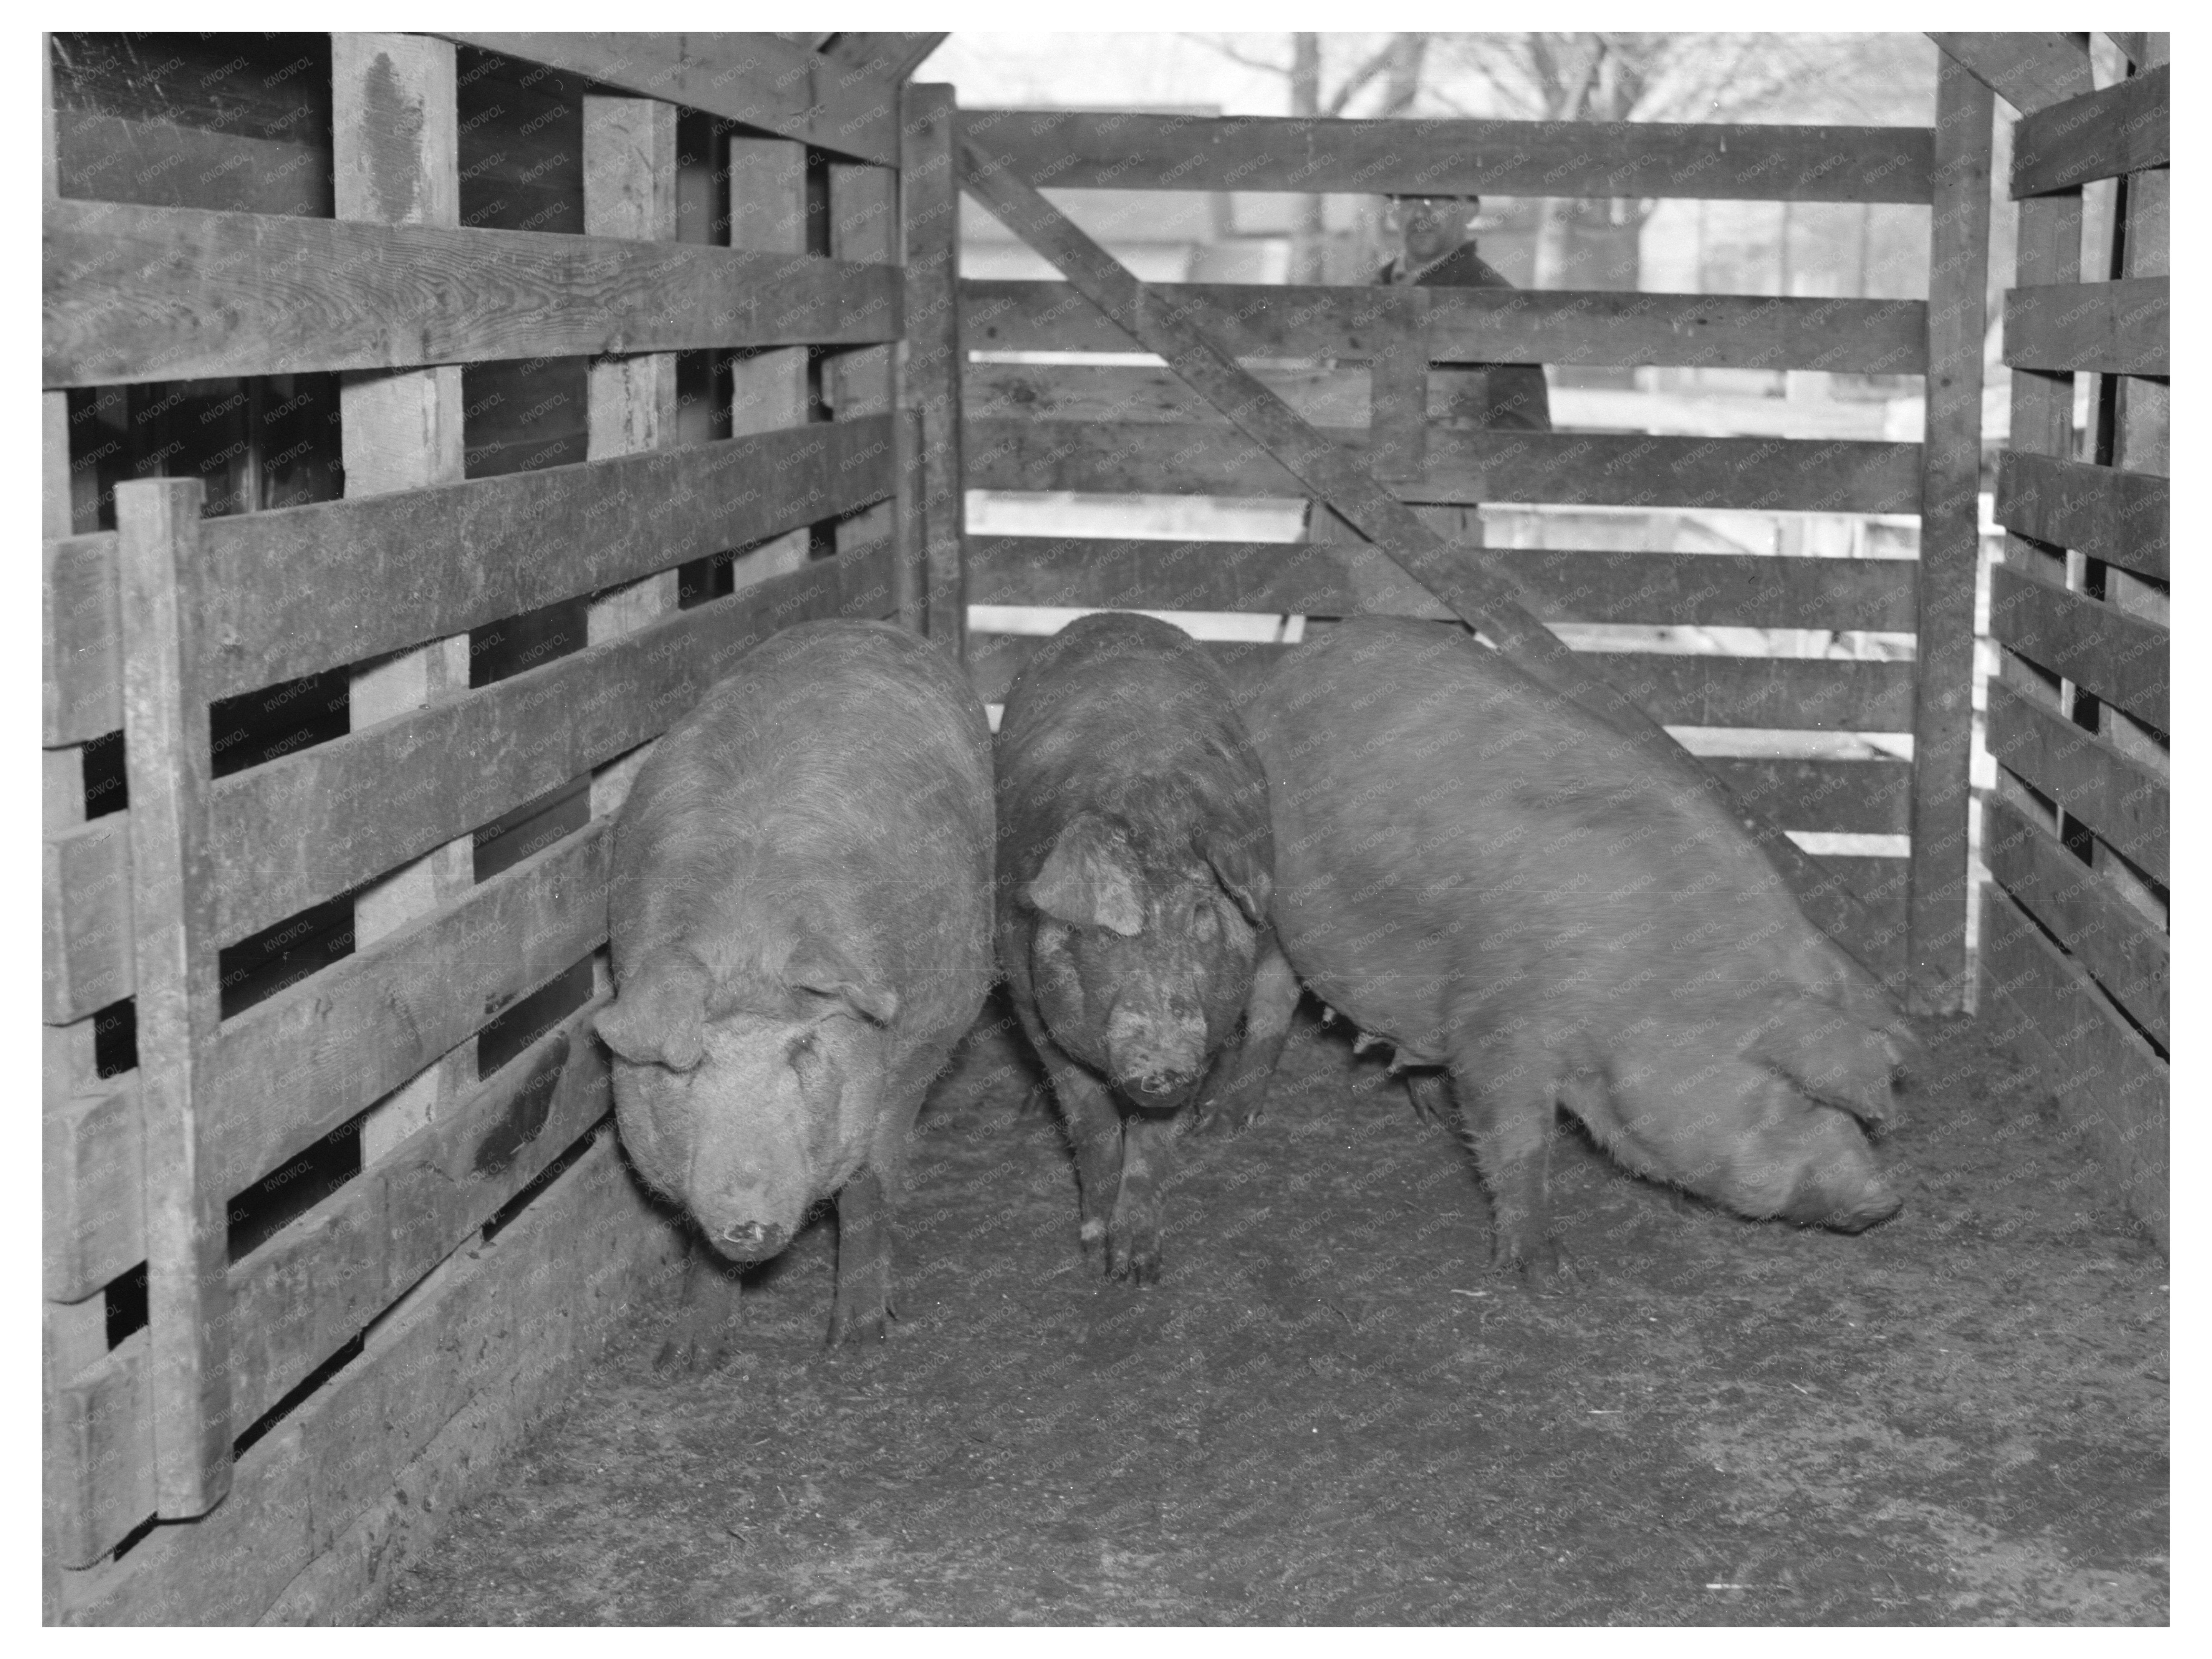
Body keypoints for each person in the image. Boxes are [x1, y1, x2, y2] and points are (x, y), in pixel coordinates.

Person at [1306, 193, 1550, 550]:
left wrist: (1437, 437)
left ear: (1471, 209)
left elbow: (1526, 433)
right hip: (1336, 517)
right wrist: (1310, 519)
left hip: (1428, 520)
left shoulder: (1494, 302)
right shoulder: (1368, 290)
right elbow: (1331, 409)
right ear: (1394, 211)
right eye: (1408, 198)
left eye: (1438, 198)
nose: (1421, 211)